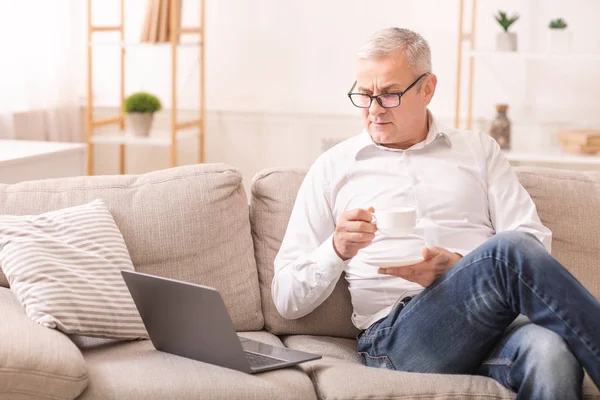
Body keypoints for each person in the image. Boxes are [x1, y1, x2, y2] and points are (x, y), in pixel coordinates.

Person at [272, 27, 600, 400]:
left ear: (427, 88)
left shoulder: (478, 151)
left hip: (494, 327)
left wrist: (461, 268)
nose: (374, 110)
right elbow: (287, 298)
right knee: (505, 251)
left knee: (551, 351)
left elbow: (533, 246)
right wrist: (336, 249)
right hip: (398, 338)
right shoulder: (334, 167)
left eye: (389, 95)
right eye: (364, 95)